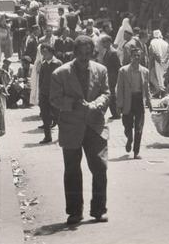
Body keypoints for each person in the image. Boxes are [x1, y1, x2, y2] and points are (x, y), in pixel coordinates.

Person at [50, 36, 110, 225]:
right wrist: (73, 104)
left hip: (95, 126)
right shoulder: (60, 73)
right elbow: (54, 98)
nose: (85, 57)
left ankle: (99, 210)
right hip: (71, 127)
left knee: (100, 168)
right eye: (81, 53)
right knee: (72, 171)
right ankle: (74, 212)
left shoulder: (101, 70)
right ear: (74, 53)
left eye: (88, 53)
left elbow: (107, 93)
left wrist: (96, 104)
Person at [116, 47, 152, 159]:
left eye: (138, 55)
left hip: (139, 100)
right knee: (127, 125)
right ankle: (129, 138)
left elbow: (147, 88)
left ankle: (136, 151)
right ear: (130, 57)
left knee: (139, 127)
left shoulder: (145, 71)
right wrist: (119, 104)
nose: (136, 57)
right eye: (134, 55)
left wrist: (149, 102)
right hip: (128, 100)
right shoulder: (123, 71)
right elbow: (119, 88)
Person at [38, 44, 62, 144]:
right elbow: (41, 80)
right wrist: (40, 93)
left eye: (46, 52)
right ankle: (47, 137)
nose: (44, 54)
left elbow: (62, 78)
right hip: (44, 94)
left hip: (55, 94)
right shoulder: (43, 64)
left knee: (58, 115)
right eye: (43, 52)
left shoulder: (58, 63)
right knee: (45, 115)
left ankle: (62, 136)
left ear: (51, 52)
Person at [99, 35, 121, 120]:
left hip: (112, 77)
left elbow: (117, 66)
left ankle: (116, 113)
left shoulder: (113, 52)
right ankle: (115, 113)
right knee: (111, 95)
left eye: (104, 42)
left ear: (108, 42)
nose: (103, 44)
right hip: (109, 76)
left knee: (112, 95)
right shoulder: (108, 51)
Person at [149, 29, 169, 97]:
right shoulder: (166, 43)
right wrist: (164, 62)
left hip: (155, 63)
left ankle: (159, 90)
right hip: (165, 63)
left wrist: (157, 62)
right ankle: (160, 91)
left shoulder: (152, 42)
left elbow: (153, 53)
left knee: (152, 77)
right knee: (162, 78)